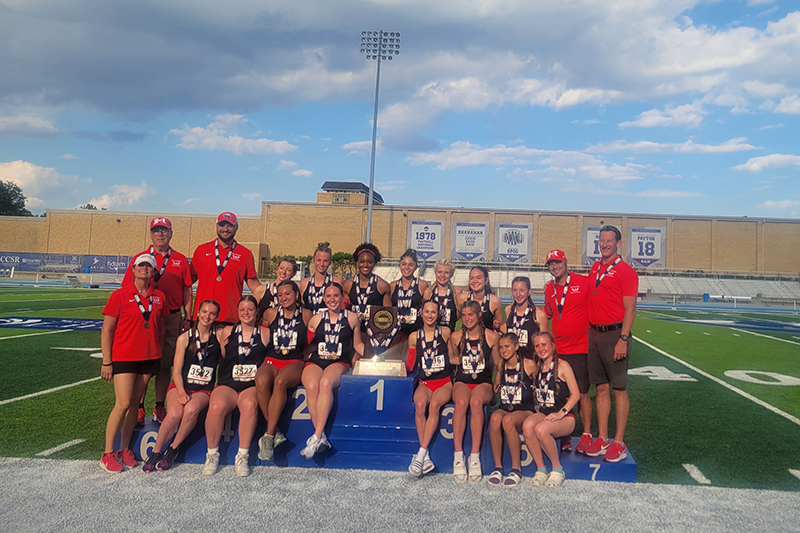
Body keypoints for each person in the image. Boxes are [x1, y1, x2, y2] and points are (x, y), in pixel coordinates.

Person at [99, 254, 168, 473]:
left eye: (149, 266)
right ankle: (107, 453)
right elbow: (107, 329)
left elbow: (162, 327)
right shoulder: (120, 295)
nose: (144, 269)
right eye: (141, 265)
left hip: (149, 356)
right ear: (134, 268)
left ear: (153, 272)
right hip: (124, 356)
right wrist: (107, 361)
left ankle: (124, 449)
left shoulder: (159, 297)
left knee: (135, 403)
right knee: (123, 403)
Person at [123, 217, 193, 426]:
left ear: (171, 234)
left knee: (165, 363)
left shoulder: (180, 259)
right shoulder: (140, 259)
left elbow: (187, 289)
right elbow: (128, 288)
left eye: (164, 230)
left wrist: (187, 316)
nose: (160, 234)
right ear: (151, 234)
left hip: (171, 317)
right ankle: (139, 406)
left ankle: (160, 405)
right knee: (143, 363)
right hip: (146, 316)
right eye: (156, 231)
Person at [142, 299, 221, 473]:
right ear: (198, 313)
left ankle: (173, 449)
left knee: (191, 409)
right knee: (175, 414)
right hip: (181, 385)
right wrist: (180, 392)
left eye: (212, 313)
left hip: (203, 390)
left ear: (216, 317)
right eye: (204, 312)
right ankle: (156, 452)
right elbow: (176, 370)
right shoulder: (185, 338)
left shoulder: (219, 336)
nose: (207, 316)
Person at [585, 225, 638, 463]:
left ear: (618, 244)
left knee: (619, 390)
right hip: (594, 334)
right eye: (601, 240)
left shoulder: (626, 271)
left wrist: (623, 339)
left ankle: (619, 441)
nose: (604, 244)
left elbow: (630, 308)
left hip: (615, 333)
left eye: (609, 240)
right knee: (601, 388)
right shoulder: (595, 268)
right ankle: (603, 437)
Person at [202, 295, 269, 477]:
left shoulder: (264, 333)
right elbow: (222, 355)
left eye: (250, 309)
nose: (246, 313)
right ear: (237, 312)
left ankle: (242, 455)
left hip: (251, 384)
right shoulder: (227, 332)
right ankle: (212, 454)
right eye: (242, 309)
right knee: (216, 406)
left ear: (256, 312)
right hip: (228, 382)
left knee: (249, 405)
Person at [300, 283, 364, 458]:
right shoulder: (316, 319)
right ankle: (321, 438)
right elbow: (306, 344)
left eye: (336, 296)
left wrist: (376, 353)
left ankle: (317, 435)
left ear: (342, 298)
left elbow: (357, 343)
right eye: (328, 296)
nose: (332, 299)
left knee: (326, 383)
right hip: (316, 361)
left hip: (339, 361)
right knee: (312, 386)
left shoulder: (352, 318)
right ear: (323, 298)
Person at [543, 249, 593, 454]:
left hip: (580, 347)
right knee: (558, 394)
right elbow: (547, 313)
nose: (555, 266)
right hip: (558, 348)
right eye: (550, 264)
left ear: (565, 261)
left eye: (557, 262)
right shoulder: (549, 288)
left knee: (581, 393)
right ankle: (563, 435)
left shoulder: (584, 282)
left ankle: (587, 434)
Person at [255, 280, 312, 461]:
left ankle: (269, 435)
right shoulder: (270, 314)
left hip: (294, 361)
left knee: (280, 382)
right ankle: (277, 432)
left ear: (296, 294)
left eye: (288, 294)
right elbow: (261, 336)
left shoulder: (307, 314)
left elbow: (314, 338)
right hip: (272, 359)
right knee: (262, 381)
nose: (284, 298)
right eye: (280, 295)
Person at [447, 300, 500, 482]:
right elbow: (451, 358)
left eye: (471, 314)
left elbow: (499, 363)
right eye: (464, 315)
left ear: (479, 315)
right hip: (463, 380)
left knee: (476, 403)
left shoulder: (492, 337)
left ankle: (475, 455)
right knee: (461, 403)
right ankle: (458, 454)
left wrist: (497, 383)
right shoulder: (455, 337)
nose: (467, 318)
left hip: (483, 382)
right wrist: (461, 360)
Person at [522, 332, 580, 488]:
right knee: (527, 426)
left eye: (544, 344)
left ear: (553, 346)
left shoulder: (563, 365)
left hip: (565, 418)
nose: (541, 349)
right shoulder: (538, 366)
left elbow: (576, 394)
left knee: (541, 430)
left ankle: (557, 469)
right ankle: (541, 468)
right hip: (544, 413)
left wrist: (562, 412)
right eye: (537, 346)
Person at [405, 300, 452, 477]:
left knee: (434, 406)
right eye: (426, 312)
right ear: (421, 313)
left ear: (438, 314)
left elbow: (454, 355)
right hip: (425, 383)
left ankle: (421, 454)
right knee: (419, 406)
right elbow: (410, 363)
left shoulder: (445, 333)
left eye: (433, 312)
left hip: (444, 382)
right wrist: (400, 369)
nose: (430, 315)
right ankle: (426, 459)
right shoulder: (413, 336)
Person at [191, 212, 261, 326]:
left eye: (229, 225)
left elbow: (254, 284)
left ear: (236, 228)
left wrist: (271, 292)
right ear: (217, 226)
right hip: (203, 316)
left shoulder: (245, 254)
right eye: (222, 225)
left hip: (230, 317)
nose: (225, 229)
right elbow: (187, 281)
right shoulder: (201, 250)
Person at [487, 333, 537, 487]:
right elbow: (497, 387)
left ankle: (516, 469)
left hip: (525, 410)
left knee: (508, 421)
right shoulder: (501, 365)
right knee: (495, 418)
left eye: (507, 346)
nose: (503, 350)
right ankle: (498, 467)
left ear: (516, 347)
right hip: (506, 406)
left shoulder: (529, 364)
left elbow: (539, 385)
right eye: (501, 347)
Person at [342, 242, 391, 327]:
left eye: (369, 262)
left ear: (374, 263)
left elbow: (388, 315)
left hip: (375, 330)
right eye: (362, 261)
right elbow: (344, 312)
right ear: (357, 263)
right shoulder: (347, 285)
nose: (365, 265)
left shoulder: (382, 286)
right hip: (354, 329)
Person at [502, 276, 548, 359]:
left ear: (529, 291)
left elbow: (545, 343)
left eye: (522, 290)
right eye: (515, 290)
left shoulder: (538, 314)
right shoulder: (508, 310)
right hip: (512, 363)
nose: (518, 294)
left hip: (531, 364)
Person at [390, 249, 428, 335]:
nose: (406, 268)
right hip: (396, 332)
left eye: (411, 265)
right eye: (403, 264)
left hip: (416, 331)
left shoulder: (422, 285)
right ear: (400, 265)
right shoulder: (392, 285)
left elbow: (426, 307)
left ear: (416, 266)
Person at [300, 242, 343, 314]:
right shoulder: (304, 283)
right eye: (319, 260)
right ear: (313, 260)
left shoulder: (336, 281)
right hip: (309, 323)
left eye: (325, 261)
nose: (321, 264)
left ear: (330, 263)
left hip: (329, 323)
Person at [457, 266, 503, 331]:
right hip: (467, 339)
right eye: (471, 278)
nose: (475, 281)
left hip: (487, 340)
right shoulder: (462, 298)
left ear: (486, 280)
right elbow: (453, 319)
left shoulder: (494, 301)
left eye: (478, 278)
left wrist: (498, 326)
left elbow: (502, 324)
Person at [422, 259, 460, 331]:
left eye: (446, 272)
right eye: (439, 272)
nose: (442, 275)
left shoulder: (457, 292)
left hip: (449, 335)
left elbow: (458, 314)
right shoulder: (428, 292)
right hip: (431, 335)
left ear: (451, 275)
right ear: (435, 273)